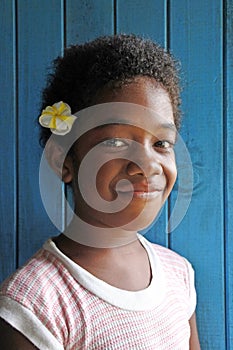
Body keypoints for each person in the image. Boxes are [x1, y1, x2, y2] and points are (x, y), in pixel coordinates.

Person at [0, 34, 200, 349]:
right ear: (64, 159)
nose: (146, 164)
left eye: (161, 143)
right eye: (115, 142)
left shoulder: (179, 275)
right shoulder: (35, 305)